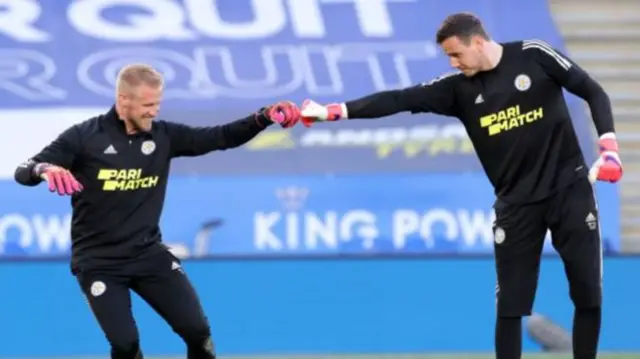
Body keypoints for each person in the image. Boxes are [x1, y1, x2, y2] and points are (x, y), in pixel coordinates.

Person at [299, 12, 622, 359]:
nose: (453, 64)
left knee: (588, 292)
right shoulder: (456, 90)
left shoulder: (535, 54)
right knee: (510, 307)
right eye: (448, 57)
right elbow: (398, 100)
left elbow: (593, 91)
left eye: (456, 54)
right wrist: (332, 111)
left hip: (569, 191)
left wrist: (609, 148)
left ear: (478, 42)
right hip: (515, 204)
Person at [14, 63, 301, 359]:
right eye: (148, 105)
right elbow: (23, 170)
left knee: (197, 332)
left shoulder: (163, 136)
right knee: (125, 345)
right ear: (124, 100)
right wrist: (44, 168)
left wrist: (262, 117)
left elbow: (220, 137)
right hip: (99, 263)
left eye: (158, 104)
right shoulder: (84, 137)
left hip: (148, 255)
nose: (154, 111)